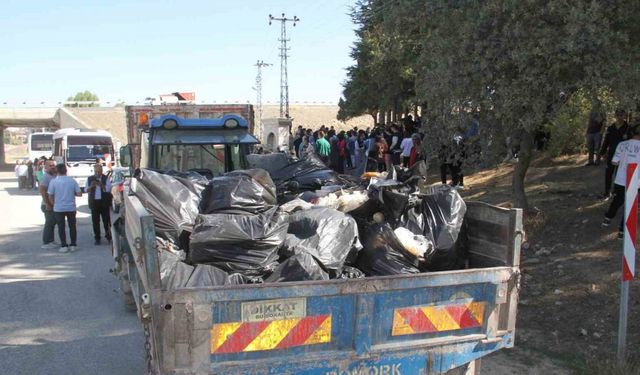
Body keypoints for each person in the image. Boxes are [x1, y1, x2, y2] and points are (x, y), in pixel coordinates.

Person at [602, 123, 640, 239]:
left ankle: (607, 218)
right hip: (637, 181)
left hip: (620, 180)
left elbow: (615, 162)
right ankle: (622, 232)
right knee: (631, 205)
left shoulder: (622, 144)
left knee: (617, 200)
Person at [48, 164, 82, 253]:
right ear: (66, 171)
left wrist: (53, 204)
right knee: (72, 226)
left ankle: (63, 245)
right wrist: (71, 193)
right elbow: (79, 193)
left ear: (57, 171)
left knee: (61, 227)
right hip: (70, 207)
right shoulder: (72, 181)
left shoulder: (53, 181)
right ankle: (73, 244)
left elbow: (50, 195)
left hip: (58, 207)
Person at [600, 109, 629, 198]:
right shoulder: (611, 128)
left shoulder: (628, 128)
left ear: (625, 116)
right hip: (612, 154)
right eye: (618, 115)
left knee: (619, 175)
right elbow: (606, 141)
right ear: (615, 116)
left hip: (623, 156)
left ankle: (616, 193)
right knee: (609, 173)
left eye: (621, 115)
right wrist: (603, 152)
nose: (619, 117)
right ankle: (607, 192)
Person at [86, 163, 112, 245]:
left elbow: (108, 189)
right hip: (94, 203)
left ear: (101, 171)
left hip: (104, 203)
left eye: (99, 171)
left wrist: (101, 185)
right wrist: (91, 186)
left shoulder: (105, 178)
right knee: (95, 221)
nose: (97, 173)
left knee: (106, 221)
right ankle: (97, 238)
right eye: (96, 171)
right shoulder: (90, 179)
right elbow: (86, 190)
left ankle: (108, 236)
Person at [39, 159, 58, 250]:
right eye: (50, 165)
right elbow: (42, 190)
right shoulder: (45, 177)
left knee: (53, 222)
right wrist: (47, 203)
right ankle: (46, 242)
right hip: (48, 204)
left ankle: (51, 240)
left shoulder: (54, 175)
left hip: (54, 204)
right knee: (49, 223)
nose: (53, 167)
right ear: (45, 167)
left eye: (54, 165)